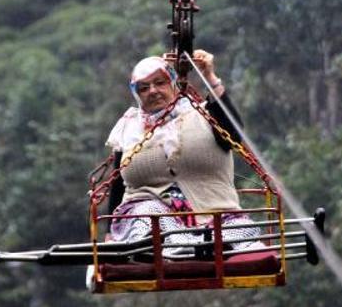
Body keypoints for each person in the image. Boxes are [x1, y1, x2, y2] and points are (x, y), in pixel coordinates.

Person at [104, 49, 263, 255]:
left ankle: (205, 247)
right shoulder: (129, 128)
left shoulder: (204, 114)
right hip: (150, 216)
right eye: (144, 88)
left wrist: (210, 77)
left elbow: (233, 134)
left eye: (160, 82)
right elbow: (117, 182)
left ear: (173, 84)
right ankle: (171, 248)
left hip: (214, 213)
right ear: (137, 94)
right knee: (149, 217)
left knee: (236, 235)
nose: (152, 91)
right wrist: (109, 234)